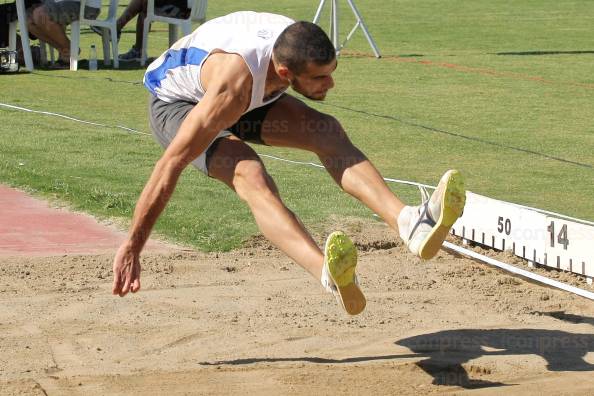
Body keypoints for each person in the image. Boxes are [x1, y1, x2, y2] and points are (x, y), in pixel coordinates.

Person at [112, 11, 466, 316]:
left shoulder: (294, 44)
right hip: (179, 104)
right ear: (285, 72)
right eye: (319, 78)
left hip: (252, 96)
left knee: (325, 129)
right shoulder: (231, 88)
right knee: (249, 173)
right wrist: (132, 245)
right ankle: (328, 272)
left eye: (332, 71)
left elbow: (277, 82)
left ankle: (409, 224)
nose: (331, 83)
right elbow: (168, 167)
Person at [91, 0, 190, 61]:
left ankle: (117, 28)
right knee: (144, 12)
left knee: (144, 3)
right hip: (181, 6)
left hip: (180, 9)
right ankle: (138, 50)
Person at [27, 0, 101, 67]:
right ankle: (66, 51)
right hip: (62, 3)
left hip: (85, 6)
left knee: (40, 14)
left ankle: (70, 51)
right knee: (29, 22)